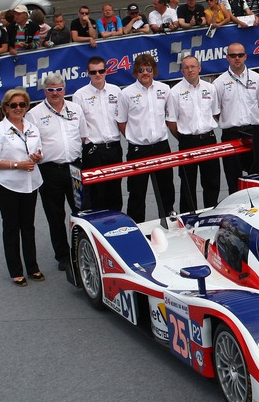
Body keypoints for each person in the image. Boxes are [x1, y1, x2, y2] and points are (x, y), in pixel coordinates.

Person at [26, 75, 86, 273]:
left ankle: (84, 250)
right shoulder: (34, 114)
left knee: (82, 212)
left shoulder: (75, 109)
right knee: (55, 215)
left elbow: (83, 135)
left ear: (64, 89)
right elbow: (30, 144)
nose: (55, 93)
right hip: (50, 170)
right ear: (45, 91)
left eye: (58, 89)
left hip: (75, 168)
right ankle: (63, 255)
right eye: (50, 90)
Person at [0, 89, 44, 287]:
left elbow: (39, 150)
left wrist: (38, 157)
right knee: (11, 227)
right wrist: (17, 165)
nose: (18, 108)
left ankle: (33, 267)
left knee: (28, 226)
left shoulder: (32, 127)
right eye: (13, 105)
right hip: (7, 185)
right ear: (5, 108)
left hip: (30, 183)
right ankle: (16, 271)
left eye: (22, 105)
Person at [117, 54, 175, 222]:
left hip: (161, 146)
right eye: (141, 70)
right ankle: (138, 229)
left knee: (166, 190)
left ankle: (168, 226)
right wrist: (133, 138)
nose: (145, 73)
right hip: (138, 150)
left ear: (153, 71)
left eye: (148, 69)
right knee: (136, 193)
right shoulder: (126, 93)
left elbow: (169, 115)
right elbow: (121, 121)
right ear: (136, 71)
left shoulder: (164, 89)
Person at [166, 55, 221, 212]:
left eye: (193, 66)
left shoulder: (210, 88)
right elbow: (171, 122)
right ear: (182, 71)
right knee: (188, 182)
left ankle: (211, 212)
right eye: (186, 67)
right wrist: (184, 138)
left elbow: (215, 113)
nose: (190, 70)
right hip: (187, 141)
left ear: (199, 68)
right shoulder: (174, 92)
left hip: (209, 139)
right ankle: (189, 217)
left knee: (211, 181)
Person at [213, 43, 259, 195]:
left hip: (253, 132)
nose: (237, 58)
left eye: (240, 55)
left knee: (256, 177)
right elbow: (216, 111)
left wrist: (250, 118)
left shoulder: (257, 78)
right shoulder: (219, 83)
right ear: (227, 58)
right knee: (233, 178)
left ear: (245, 56)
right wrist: (231, 120)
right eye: (233, 55)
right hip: (231, 135)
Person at [73, 56, 123, 212]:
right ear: (87, 73)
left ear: (106, 71)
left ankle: (117, 227)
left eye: (101, 71)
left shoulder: (116, 91)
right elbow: (77, 125)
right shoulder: (79, 95)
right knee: (96, 194)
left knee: (115, 192)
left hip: (114, 147)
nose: (98, 75)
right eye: (93, 72)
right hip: (93, 150)